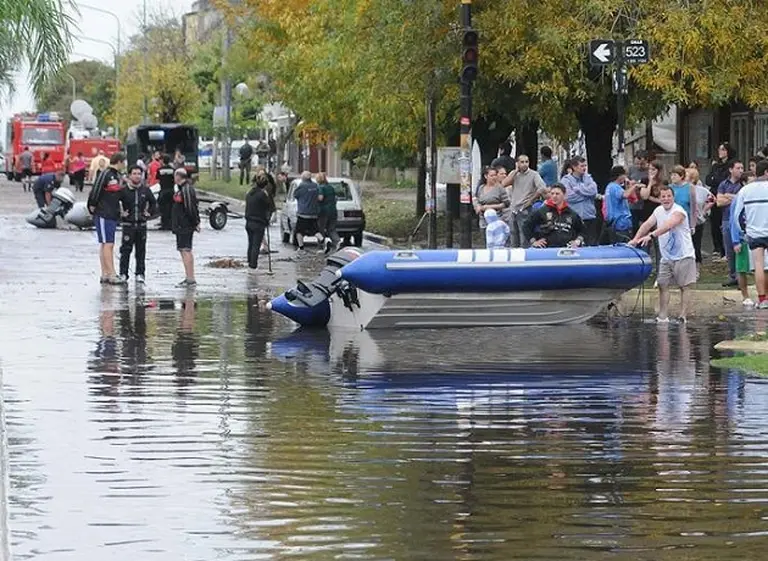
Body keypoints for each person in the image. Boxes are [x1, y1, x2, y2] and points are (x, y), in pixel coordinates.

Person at [629, 185, 696, 323]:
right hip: (666, 257)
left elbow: (668, 226)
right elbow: (647, 225)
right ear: (659, 198)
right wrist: (635, 239)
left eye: (668, 196)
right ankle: (662, 317)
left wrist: (651, 236)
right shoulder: (658, 211)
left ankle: (683, 316)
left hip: (684, 255)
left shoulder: (679, 211)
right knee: (662, 284)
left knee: (684, 286)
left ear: (673, 197)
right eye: (663, 197)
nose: (666, 199)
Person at [730, 160, 768, 308]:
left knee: (758, 265)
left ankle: (762, 299)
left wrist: (743, 232)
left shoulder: (745, 191)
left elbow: (736, 215)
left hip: (754, 233)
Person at [87, 152, 126, 285]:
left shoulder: (116, 175)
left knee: (106, 244)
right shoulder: (106, 174)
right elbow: (96, 189)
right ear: (120, 162)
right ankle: (111, 273)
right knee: (107, 244)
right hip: (104, 212)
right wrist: (91, 204)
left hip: (111, 212)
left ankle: (105, 272)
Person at [118, 165, 157, 284]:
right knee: (125, 251)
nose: (137, 176)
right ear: (129, 175)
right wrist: (120, 214)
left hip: (141, 225)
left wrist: (148, 213)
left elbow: (153, 203)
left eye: (139, 174)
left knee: (141, 251)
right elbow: (115, 203)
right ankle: (123, 273)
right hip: (128, 225)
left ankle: (140, 273)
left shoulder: (145, 190)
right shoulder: (123, 190)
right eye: (134, 173)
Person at [501, 154, 547, 248]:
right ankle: (514, 255)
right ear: (517, 163)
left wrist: (531, 200)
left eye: (526, 162)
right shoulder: (514, 174)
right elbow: (503, 184)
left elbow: (542, 188)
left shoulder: (534, 174)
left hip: (525, 208)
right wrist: (516, 171)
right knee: (513, 233)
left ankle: (524, 254)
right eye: (522, 162)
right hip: (513, 208)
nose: (525, 164)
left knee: (524, 235)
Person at [523, 183, 585, 248]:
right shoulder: (542, 211)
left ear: (564, 195)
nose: (554, 196)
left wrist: (577, 241)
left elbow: (582, 231)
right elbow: (526, 226)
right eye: (552, 194)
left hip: (566, 251)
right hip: (546, 250)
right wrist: (534, 241)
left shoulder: (572, 214)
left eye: (557, 194)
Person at [716, 159, 745, 287]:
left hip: (741, 221)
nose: (740, 170)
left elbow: (742, 200)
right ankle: (732, 275)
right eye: (738, 168)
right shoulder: (723, 184)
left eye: (742, 168)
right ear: (731, 169)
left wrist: (728, 196)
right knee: (729, 249)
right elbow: (719, 202)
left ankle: (741, 276)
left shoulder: (743, 184)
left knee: (740, 248)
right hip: (727, 219)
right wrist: (735, 198)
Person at [705, 142, 735, 259]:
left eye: (722, 149)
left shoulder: (730, 165)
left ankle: (725, 249)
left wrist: (715, 178)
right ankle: (717, 247)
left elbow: (721, 179)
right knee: (715, 223)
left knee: (725, 222)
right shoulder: (716, 165)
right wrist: (714, 178)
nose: (720, 152)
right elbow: (709, 179)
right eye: (719, 149)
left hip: (724, 196)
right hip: (714, 196)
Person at [171, 168, 200, 287]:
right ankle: (188, 276)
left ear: (178, 176)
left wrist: (195, 222)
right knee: (183, 249)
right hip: (181, 225)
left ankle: (190, 278)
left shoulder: (186, 189)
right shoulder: (182, 188)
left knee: (186, 250)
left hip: (185, 225)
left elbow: (190, 208)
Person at [560, 156, 598, 245]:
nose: (584, 168)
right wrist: (587, 194)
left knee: (591, 244)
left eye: (585, 165)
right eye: (582, 166)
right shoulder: (566, 180)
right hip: (574, 218)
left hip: (589, 216)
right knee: (575, 244)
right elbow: (569, 197)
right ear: (574, 167)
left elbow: (594, 191)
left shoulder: (588, 178)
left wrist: (578, 190)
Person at [244, 174, 276, 270]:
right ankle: (253, 264)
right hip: (259, 222)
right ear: (265, 185)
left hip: (249, 221)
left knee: (250, 242)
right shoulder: (263, 195)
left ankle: (249, 261)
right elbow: (269, 207)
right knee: (256, 244)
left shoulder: (249, 193)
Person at [603, 165, 635, 243]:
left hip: (613, 223)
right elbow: (625, 195)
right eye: (624, 175)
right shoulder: (615, 187)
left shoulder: (609, 187)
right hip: (621, 223)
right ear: (620, 176)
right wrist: (634, 186)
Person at [293, 171, 323, 250]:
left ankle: (301, 247)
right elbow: (319, 197)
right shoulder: (315, 186)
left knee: (299, 231)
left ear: (303, 178)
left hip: (303, 213)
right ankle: (322, 239)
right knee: (315, 230)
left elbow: (295, 195)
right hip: (313, 212)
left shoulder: (301, 186)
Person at [316, 172, 340, 253]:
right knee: (331, 229)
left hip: (323, 212)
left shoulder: (320, 187)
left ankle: (321, 247)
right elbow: (335, 198)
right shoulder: (331, 187)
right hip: (333, 211)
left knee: (320, 229)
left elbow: (320, 198)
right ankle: (337, 241)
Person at [628, 150, 650, 233]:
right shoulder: (631, 169)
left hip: (645, 203)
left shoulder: (650, 170)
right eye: (637, 163)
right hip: (633, 204)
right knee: (634, 227)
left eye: (642, 164)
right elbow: (626, 182)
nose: (639, 166)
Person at [156, 154, 175, 230]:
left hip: (163, 190)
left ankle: (164, 224)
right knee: (171, 208)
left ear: (163, 161)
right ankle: (171, 224)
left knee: (163, 209)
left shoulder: (160, 170)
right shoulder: (173, 169)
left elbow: (157, 177)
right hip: (171, 190)